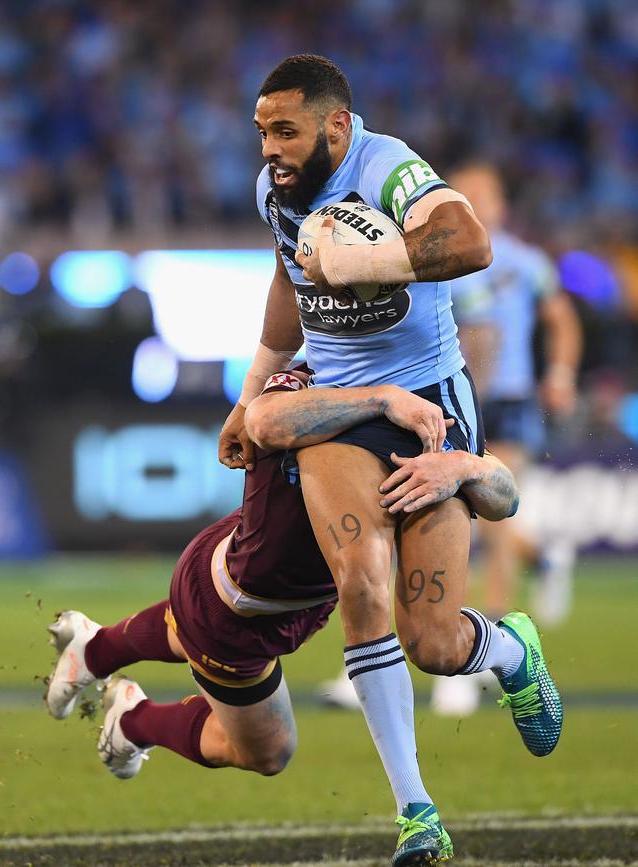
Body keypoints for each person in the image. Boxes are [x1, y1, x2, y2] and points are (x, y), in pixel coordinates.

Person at [218, 54, 563, 866]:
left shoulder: (390, 167)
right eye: (263, 129)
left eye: (286, 130)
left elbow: (469, 241)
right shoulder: (277, 190)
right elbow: (286, 279)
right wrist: (251, 392)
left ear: (337, 126)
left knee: (434, 641)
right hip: (343, 409)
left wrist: (367, 261)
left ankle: (511, 649)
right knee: (360, 585)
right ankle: (418, 815)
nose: (270, 146)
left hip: (433, 405)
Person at [45, 371, 518, 810]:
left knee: (193, 632)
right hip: (237, 609)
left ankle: (96, 650)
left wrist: (465, 468)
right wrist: (382, 399)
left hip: (290, 593)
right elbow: (264, 419)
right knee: (269, 751)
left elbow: (506, 496)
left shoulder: (423, 399)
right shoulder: (303, 389)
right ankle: (133, 722)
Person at [428, 161, 582, 717]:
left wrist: (560, 375)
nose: (475, 202)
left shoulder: (526, 261)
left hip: (508, 398)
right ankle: (544, 559)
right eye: (463, 193)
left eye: (483, 194)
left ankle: (485, 640)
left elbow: (561, 319)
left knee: (487, 516)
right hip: (452, 396)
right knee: (458, 517)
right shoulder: (435, 258)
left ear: (501, 204)